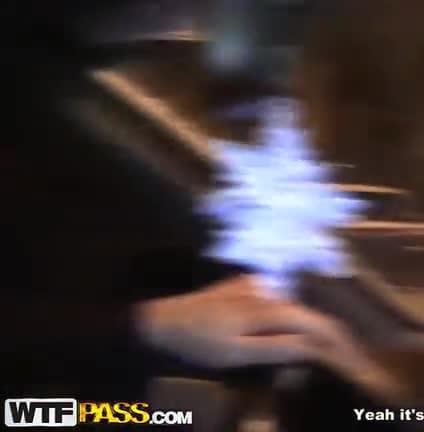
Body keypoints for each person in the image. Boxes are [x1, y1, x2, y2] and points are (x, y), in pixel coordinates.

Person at [0, 0, 398, 410]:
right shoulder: (45, 86)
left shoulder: (74, 86)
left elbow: (126, 266)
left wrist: (268, 330)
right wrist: (147, 326)